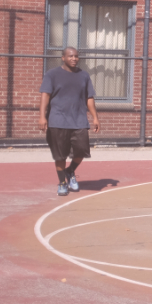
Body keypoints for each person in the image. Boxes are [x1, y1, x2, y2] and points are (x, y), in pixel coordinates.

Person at [39, 47, 101, 196]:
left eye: (76, 56)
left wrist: (95, 117)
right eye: (71, 56)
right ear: (63, 58)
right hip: (57, 120)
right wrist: (42, 116)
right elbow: (45, 96)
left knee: (81, 152)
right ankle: (62, 183)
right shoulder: (52, 74)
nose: (74, 59)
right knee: (60, 156)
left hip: (79, 121)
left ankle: (70, 171)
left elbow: (89, 98)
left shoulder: (84, 76)